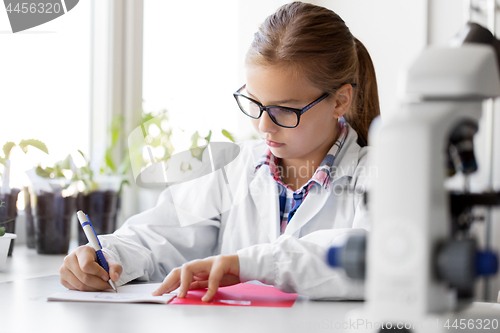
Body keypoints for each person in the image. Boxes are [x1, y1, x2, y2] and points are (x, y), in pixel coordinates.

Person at [59, 1, 380, 301]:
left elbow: (371, 256)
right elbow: (158, 236)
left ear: (340, 101)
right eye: (254, 103)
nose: (264, 126)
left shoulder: (378, 172)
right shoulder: (233, 167)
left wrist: (250, 264)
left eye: (285, 109)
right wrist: (108, 256)